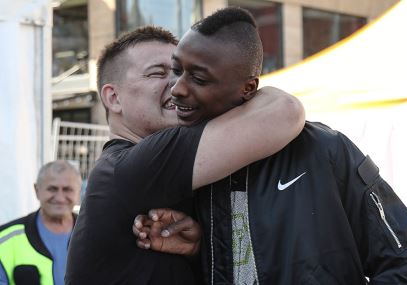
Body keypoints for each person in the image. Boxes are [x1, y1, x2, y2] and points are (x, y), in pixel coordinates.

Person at [134, 7, 407, 284]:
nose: (178, 88)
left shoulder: (324, 151)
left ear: (247, 89)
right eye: (176, 70)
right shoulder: (180, 161)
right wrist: (199, 248)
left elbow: (404, 260)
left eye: (198, 78)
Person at [65, 25, 305, 284]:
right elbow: (286, 112)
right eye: (157, 73)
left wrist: (196, 249)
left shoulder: (133, 171)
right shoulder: (129, 168)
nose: (178, 84)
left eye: (181, 72)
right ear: (113, 98)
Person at [0, 160, 81, 285]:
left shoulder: (97, 236)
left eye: (67, 189)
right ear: (37, 190)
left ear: (78, 192)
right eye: (52, 189)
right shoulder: (4, 239)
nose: (60, 198)